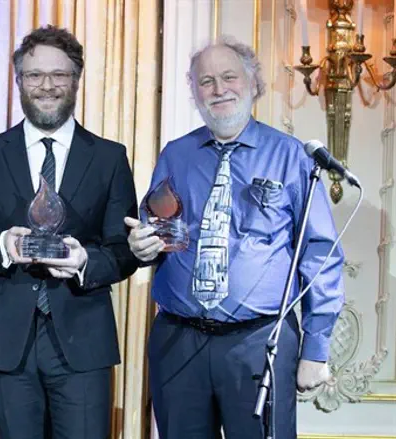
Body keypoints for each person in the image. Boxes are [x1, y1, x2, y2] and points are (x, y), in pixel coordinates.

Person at [126, 36, 344, 438]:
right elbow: (154, 225)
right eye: (205, 81)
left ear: (254, 84)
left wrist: (315, 348)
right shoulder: (176, 154)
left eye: (229, 77)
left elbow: (320, 254)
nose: (218, 89)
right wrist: (141, 246)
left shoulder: (291, 156)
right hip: (178, 342)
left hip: (260, 343)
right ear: (194, 93)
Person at [0, 25, 142, 439]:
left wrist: (85, 261)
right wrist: (3, 246)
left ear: (77, 79)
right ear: (19, 81)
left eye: (60, 74)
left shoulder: (110, 158)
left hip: (83, 340)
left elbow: (123, 251)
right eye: (35, 75)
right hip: (7, 341)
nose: (47, 86)